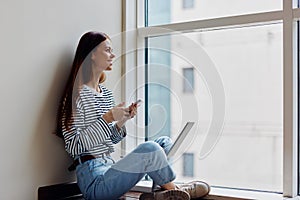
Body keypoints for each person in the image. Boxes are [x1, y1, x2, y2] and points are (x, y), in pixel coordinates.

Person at [56, 31, 210, 200]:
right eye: (107, 50)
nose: (113, 54)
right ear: (92, 54)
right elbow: (73, 147)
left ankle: (161, 194)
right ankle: (178, 191)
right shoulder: (75, 96)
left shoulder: (105, 94)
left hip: (109, 166)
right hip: (94, 179)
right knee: (150, 149)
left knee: (164, 143)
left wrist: (121, 121)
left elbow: (110, 140)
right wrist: (108, 118)